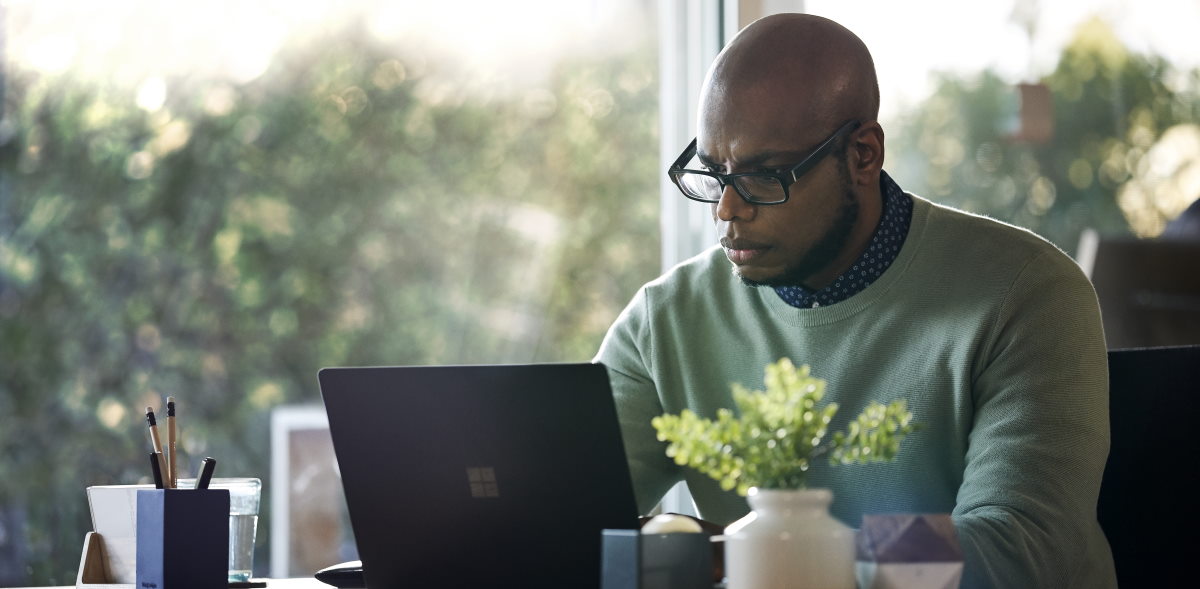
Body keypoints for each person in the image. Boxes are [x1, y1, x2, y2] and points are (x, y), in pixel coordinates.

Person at [595, 13, 1116, 589]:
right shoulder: (663, 320)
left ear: (863, 155)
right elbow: (567, 521)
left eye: (766, 176)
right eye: (715, 174)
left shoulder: (1026, 292)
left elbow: (1018, 548)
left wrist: (788, 551)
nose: (727, 209)